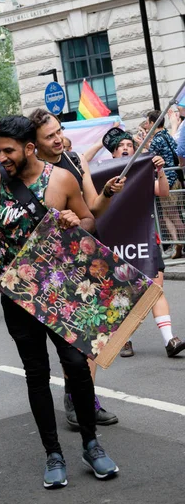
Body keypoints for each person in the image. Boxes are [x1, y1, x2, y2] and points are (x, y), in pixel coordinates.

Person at [0, 115, 119, 488]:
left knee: (76, 363)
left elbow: (90, 220)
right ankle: (52, 453)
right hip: (17, 295)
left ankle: (91, 445)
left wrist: (77, 220)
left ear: (28, 148)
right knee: (37, 373)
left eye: (8, 151)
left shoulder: (61, 179)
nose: (1, 156)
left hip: (60, 291)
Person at [28, 109, 126, 428]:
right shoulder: (29, 174)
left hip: (87, 253)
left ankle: (85, 397)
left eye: (59, 131)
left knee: (93, 333)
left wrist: (108, 192)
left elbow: (92, 209)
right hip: (55, 264)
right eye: (49, 135)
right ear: (34, 143)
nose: (58, 138)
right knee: (72, 337)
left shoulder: (74, 160)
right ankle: (77, 397)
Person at [101, 128, 185, 359]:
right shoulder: (103, 175)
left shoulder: (142, 171)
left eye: (130, 144)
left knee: (155, 290)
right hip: (118, 242)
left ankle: (169, 339)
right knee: (121, 292)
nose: (127, 147)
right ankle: (124, 340)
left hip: (146, 239)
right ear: (114, 153)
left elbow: (164, 193)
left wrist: (159, 171)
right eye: (121, 146)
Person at [144, 110, 184, 259]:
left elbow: (150, 159)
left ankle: (178, 243)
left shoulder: (156, 140)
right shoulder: (167, 135)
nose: (147, 126)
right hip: (176, 179)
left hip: (167, 180)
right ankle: (177, 244)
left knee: (171, 215)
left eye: (148, 122)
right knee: (172, 214)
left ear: (153, 123)